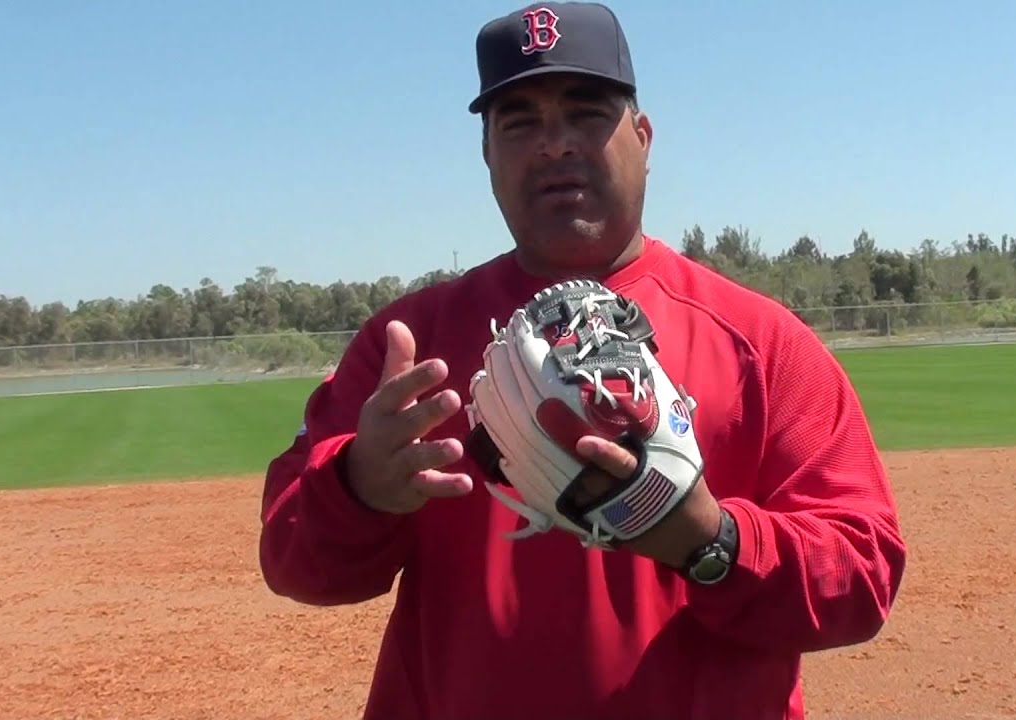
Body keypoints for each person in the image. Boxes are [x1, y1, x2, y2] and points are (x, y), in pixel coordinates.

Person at [257, 2, 907, 718]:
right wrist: (355, 486)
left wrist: (712, 542)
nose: (553, 145)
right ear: (488, 154)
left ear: (644, 136)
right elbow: (292, 559)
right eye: (520, 122)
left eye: (587, 112)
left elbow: (865, 574)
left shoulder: (760, 341)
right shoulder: (406, 346)